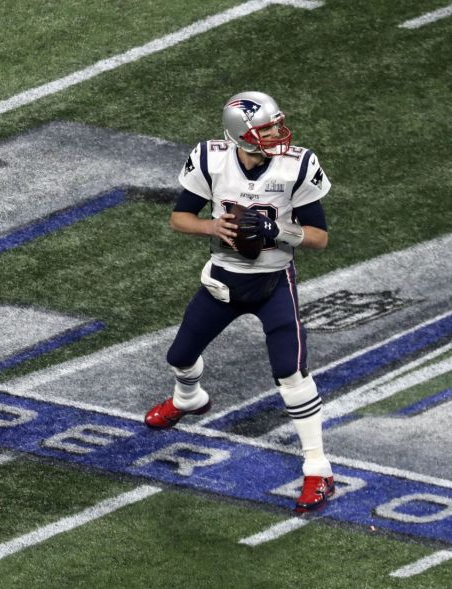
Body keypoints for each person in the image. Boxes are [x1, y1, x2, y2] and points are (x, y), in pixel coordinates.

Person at [144, 91, 334, 513]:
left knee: (291, 373)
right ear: (241, 135)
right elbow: (179, 218)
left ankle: (318, 469)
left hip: (273, 284)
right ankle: (188, 400)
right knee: (179, 357)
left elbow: (319, 238)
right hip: (223, 282)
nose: (276, 133)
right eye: (265, 128)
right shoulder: (212, 159)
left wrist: (276, 231)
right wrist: (213, 226)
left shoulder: (296, 165)